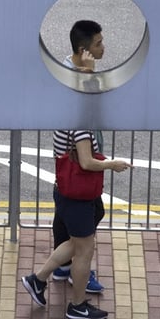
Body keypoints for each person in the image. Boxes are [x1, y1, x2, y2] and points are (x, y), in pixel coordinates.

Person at [21, 63, 133, 319]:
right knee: (84, 250)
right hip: (78, 197)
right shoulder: (80, 123)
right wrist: (112, 164)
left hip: (68, 193)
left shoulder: (64, 113)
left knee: (74, 244)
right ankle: (77, 305)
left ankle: (37, 279)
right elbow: (86, 162)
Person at [50, 20, 108, 296]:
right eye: (98, 43)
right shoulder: (72, 77)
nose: (103, 47)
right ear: (84, 50)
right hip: (74, 150)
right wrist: (89, 77)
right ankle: (75, 269)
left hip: (74, 149)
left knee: (66, 211)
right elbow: (84, 108)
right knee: (86, 213)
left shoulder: (70, 68)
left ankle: (63, 267)